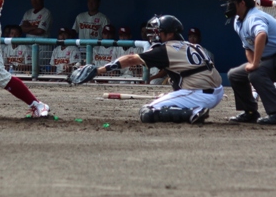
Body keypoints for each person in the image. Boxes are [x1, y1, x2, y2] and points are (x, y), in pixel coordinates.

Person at [87, 15, 222, 124]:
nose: (153, 35)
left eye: (158, 32)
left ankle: (192, 112)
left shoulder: (165, 49)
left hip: (198, 95)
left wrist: (98, 71)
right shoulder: (191, 46)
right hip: (216, 91)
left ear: (170, 34)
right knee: (169, 98)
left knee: (147, 111)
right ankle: (189, 105)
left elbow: (130, 59)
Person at [220, 0, 276, 125]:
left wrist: (255, 64)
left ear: (242, 3)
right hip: (269, 59)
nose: (228, 5)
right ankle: (249, 112)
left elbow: (261, 36)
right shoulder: (238, 21)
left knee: (256, 73)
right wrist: (253, 63)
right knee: (234, 74)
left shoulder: (254, 17)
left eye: (232, 2)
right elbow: (248, 47)